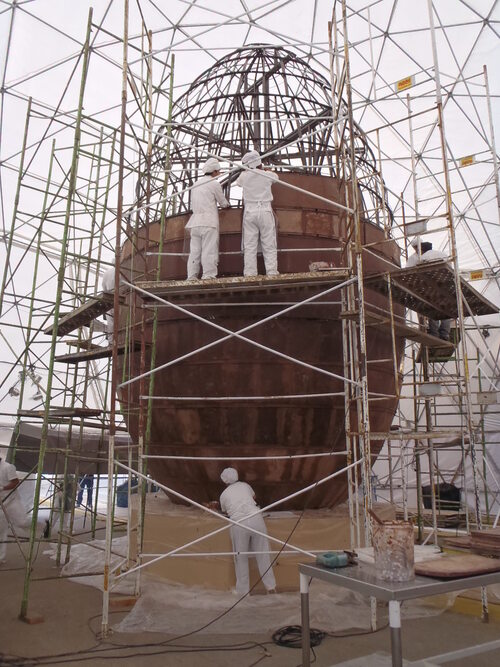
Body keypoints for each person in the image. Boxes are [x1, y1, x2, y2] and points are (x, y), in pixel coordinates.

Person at [219, 467, 276, 595]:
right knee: (263, 554)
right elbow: (254, 498)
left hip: (239, 523)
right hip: (256, 518)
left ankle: (243, 592)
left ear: (224, 481)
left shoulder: (223, 495)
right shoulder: (245, 485)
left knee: (241, 557)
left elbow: (224, 510)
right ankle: (271, 587)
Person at [235, 150, 280, 277]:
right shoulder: (267, 175)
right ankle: (271, 272)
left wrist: (247, 171)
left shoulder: (244, 176)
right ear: (260, 163)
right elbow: (277, 178)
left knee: (250, 245)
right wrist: (264, 170)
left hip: (250, 211)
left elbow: (238, 183)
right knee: (269, 244)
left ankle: (250, 273)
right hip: (265, 210)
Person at [186, 158, 229, 280]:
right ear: (214, 172)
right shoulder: (214, 184)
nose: (219, 174)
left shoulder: (195, 184)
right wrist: (227, 205)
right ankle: (208, 275)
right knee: (209, 249)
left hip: (194, 222)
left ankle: (191, 276)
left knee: (194, 251)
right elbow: (223, 202)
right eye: (218, 171)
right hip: (209, 222)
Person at [406, 238, 452, 340]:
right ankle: (445, 334)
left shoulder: (423, 257)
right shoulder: (442, 254)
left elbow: (410, 270)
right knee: (446, 310)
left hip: (431, 285)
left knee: (432, 308)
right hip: (446, 284)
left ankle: (434, 333)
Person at [0, 454, 28, 563]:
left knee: (22, 522)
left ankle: (42, 526)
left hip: (12, 501)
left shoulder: (8, 467)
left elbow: (16, 482)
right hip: (1, 504)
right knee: (1, 530)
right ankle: (1, 558)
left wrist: (2, 488)